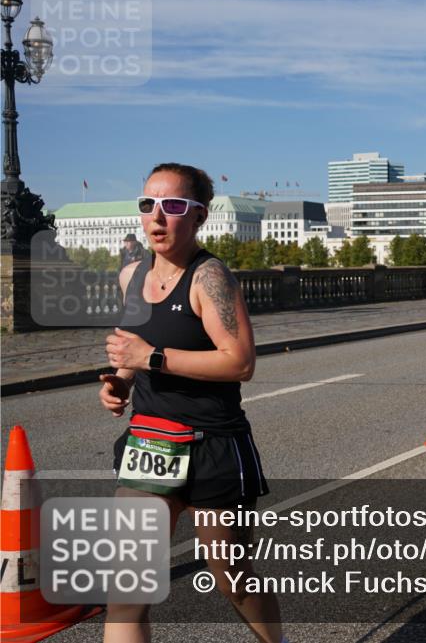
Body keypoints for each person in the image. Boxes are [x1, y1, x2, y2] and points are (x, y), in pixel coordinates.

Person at [100, 163, 283, 643]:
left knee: (233, 579)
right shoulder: (130, 277)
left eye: (174, 206)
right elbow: (133, 348)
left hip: (213, 445)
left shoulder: (210, 278)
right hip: (152, 443)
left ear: (198, 216)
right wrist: (119, 381)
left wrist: (151, 358)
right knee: (126, 590)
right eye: (148, 205)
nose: (158, 216)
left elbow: (240, 363)